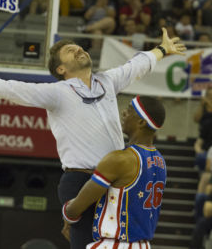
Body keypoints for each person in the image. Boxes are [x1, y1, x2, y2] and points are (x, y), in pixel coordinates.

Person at [0, 28, 186, 249]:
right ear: (61, 68)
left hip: (114, 180)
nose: (79, 50)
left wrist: (161, 50)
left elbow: (136, 66)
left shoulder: (108, 81)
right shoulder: (57, 93)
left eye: (78, 47)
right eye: (70, 51)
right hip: (81, 179)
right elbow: (8, 89)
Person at [63, 96, 166, 248]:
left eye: (129, 110)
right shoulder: (160, 161)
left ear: (142, 122)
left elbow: (78, 206)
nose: (124, 113)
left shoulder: (120, 159)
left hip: (116, 244)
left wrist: (67, 214)